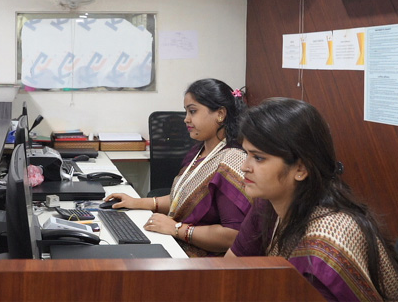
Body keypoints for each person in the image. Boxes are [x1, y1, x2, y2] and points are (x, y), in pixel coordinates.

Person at [228, 98, 398, 301]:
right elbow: (230, 268)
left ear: (301, 169)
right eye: (246, 154)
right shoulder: (270, 202)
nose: (244, 166)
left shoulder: (323, 246)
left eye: (258, 158)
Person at [105, 78, 252, 256]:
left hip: (203, 260)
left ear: (220, 114)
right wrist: (137, 202)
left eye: (193, 111)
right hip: (178, 245)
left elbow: (233, 236)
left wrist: (178, 229)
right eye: (186, 112)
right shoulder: (199, 152)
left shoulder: (232, 160)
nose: (186, 119)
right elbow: (183, 199)